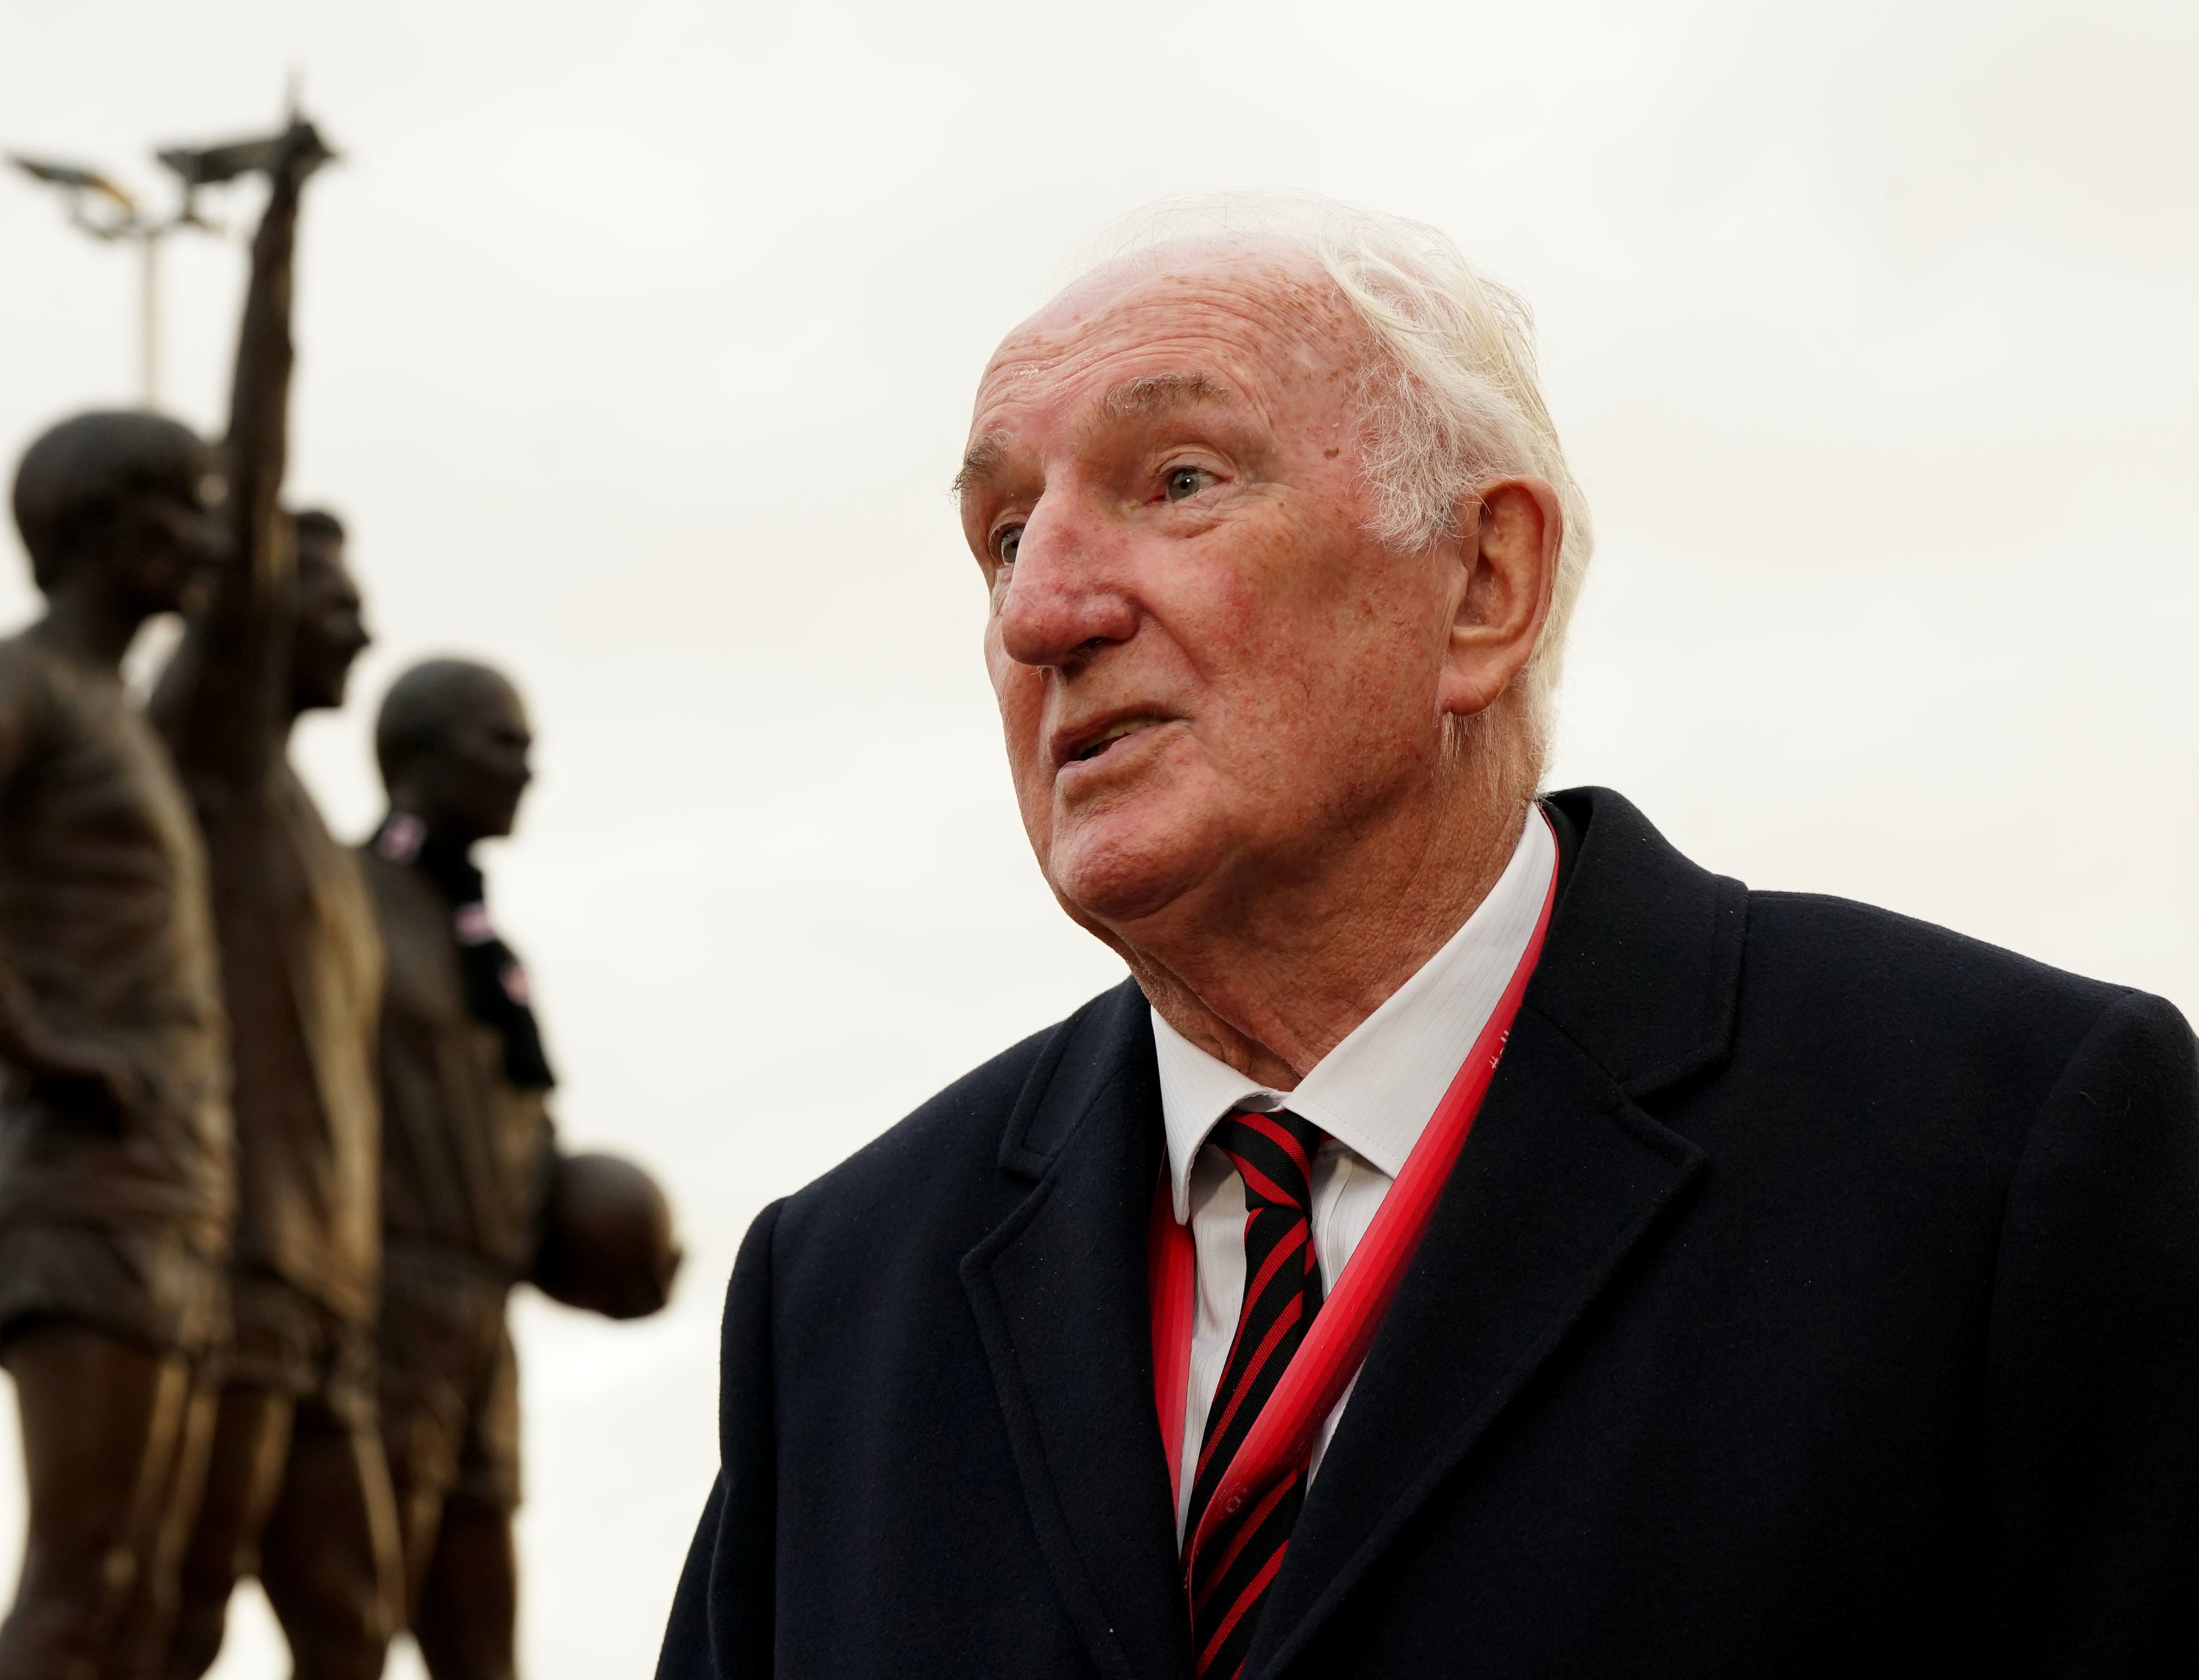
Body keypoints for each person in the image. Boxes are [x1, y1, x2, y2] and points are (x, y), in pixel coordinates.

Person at [658, 195, 2199, 1679]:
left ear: (1483, 581)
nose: (1040, 610)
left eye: (1178, 478)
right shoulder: (841, 1294)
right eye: (1002, 535)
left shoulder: (2007, 1148)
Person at [0, 405, 232, 1680]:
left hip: (171, 1192)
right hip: (80, 1190)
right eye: (186, 509)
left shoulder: (125, 723)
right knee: (79, 1593)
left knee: (140, 1608)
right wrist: (38, 1045)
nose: (210, 541)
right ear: (103, 523)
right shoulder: (13, 680)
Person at [139, 120, 401, 1680]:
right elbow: (254, 469)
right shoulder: (218, 759)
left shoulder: (316, 829)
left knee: (350, 1624)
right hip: (230, 1256)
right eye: (335, 601)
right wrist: (276, 235)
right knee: (166, 1609)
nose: (360, 631)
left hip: (331, 1284)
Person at [362, 658, 679, 1680]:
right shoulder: (342, 898)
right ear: (420, 755)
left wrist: (598, 1242)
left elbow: (513, 1137)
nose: (527, 770)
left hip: (476, 1325)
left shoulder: (482, 940)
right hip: (371, 1315)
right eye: (505, 743)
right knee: (349, 1627)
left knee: (483, 1649)